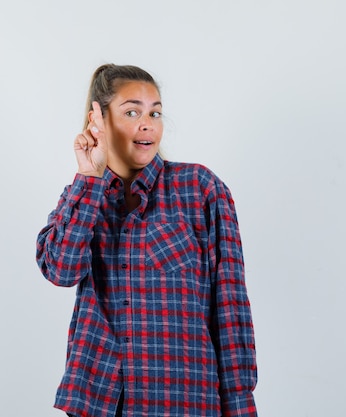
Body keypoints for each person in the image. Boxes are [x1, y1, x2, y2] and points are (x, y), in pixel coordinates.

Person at [36, 64, 257, 417]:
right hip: (103, 402)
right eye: (132, 111)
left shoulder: (199, 188)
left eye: (154, 112)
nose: (147, 123)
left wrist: (241, 406)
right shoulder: (81, 197)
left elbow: (230, 308)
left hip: (184, 400)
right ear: (100, 122)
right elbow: (60, 270)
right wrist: (89, 177)